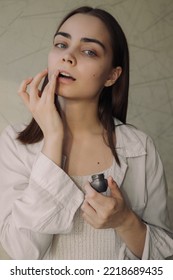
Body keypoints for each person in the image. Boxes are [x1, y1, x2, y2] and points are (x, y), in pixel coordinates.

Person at [0, 6, 173, 260]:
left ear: (112, 76)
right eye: (61, 44)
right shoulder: (15, 144)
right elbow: (22, 253)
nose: (67, 57)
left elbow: (164, 260)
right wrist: (53, 139)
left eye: (89, 51)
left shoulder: (140, 147)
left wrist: (125, 220)